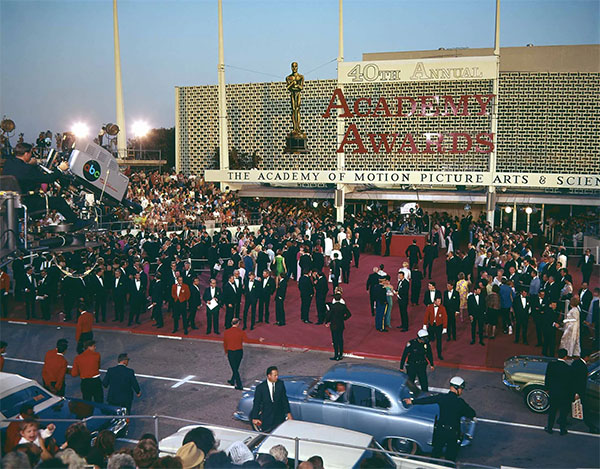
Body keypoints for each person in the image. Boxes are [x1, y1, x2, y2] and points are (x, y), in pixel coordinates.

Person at [2, 142, 90, 230]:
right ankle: (77, 222)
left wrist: (30, 165)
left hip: (9, 203)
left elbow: (21, 173)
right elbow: (49, 178)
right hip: (26, 203)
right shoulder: (27, 169)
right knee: (58, 201)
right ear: (26, 154)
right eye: (30, 154)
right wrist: (60, 168)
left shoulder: (8, 164)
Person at [403, 376, 475, 462]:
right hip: (453, 433)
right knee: (450, 458)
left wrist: (412, 401)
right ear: (457, 388)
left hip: (440, 430)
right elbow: (471, 413)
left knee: (435, 454)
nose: (461, 391)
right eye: (461, 389)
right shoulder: (460, 403)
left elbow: (428, 400)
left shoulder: (442, 398)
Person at [250, 366, 292, 432]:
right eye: (275, 375)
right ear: (269, 376)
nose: (277, 377)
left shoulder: (280, 384)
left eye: (277, 375)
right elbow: (256, 403)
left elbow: (284, 399)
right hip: (267, 418)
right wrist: (255, 417)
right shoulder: (260, 388)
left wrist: (288, 413)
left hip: (279, 417)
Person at [544, 348, 572, 435]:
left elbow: (547, 378)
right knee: (563, 412)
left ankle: (549, 428)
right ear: (565, 356)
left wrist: (547, 389)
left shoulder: (551, 365)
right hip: (564, 393)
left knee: (552, 411)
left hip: (554, 392)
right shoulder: (568, 368)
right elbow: (570, 382)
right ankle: (562, 430)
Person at [571, 355, 599, 433]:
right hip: (580, 391)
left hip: (575, 389)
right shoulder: (583, 366)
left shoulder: (576, 363)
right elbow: (580, 380)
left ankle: (562, 420)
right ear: (586, 357)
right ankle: (590, 426)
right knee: (585, 409)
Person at [324, 289, 352, 361]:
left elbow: (328, 315)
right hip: (341, 324)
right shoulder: (343, 306)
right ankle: (341, 354)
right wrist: (344, 318)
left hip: (334, 325)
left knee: (335, 340)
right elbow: (349, 314)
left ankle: (336, 355)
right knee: (340, 339)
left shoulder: (333, 307)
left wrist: (327, 322)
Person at [223, 318, 248, 390]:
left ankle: (239, 385)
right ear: (237, 323)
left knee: (234, 369)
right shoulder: (241, 332)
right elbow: (247, 340)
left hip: (231, 352)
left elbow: (225, 343)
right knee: (235, 368)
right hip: (239, 352)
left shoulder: (226, 332)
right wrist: (258, 340)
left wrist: (226, 352)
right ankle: (232, 380)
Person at [286, 61, 305, 134]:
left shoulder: (300, 77)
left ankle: (298, 127)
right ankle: (294, 127)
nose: (294, 68)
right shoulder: (288, 77)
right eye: (293, 66)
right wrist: (292, 84)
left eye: (295, 66)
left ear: (297, 67)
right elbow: (288, 87)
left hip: (298, 94)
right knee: (293, 110)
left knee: (297, 109)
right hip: (292, 94)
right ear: (291, 68)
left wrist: (296, 86)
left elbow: (301, 87)